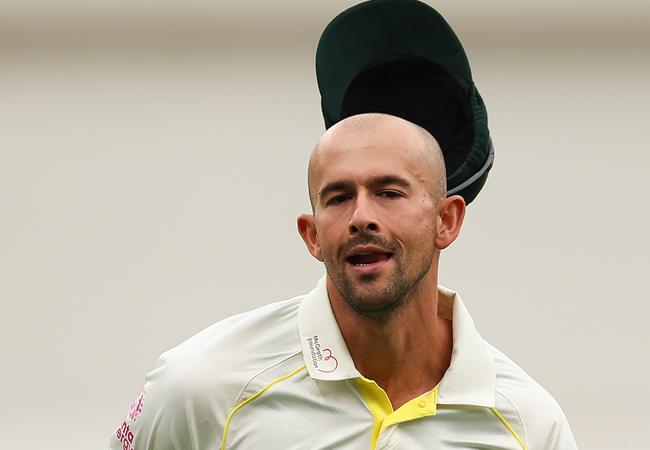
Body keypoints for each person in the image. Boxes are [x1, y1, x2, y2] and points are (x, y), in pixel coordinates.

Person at [109, 113, 578, 450]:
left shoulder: (530, 425)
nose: (361, 217)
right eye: (337, 198)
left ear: (447, 221)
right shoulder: (199, 385)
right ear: (312, 235)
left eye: (389, 192)